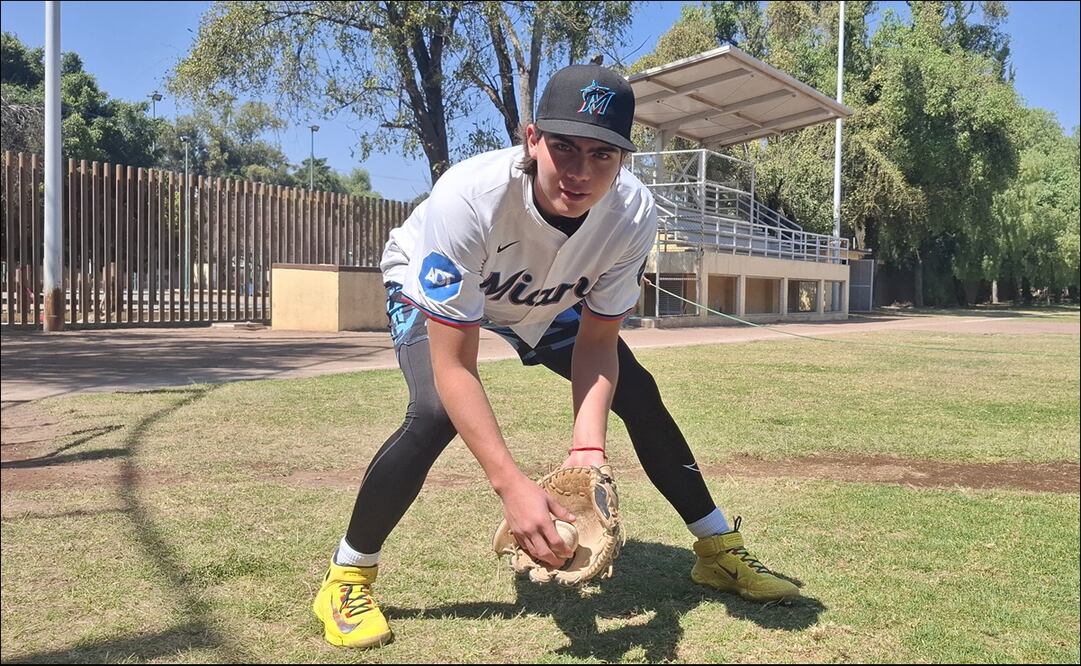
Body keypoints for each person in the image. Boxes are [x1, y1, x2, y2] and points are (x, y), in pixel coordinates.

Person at [312, 63, 799, 649]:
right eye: (564, 146)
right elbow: (454, 366)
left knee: (637, 391)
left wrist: (587, 454)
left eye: (602, 154)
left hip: (542, 299)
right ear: (532, 138)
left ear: (623, 159)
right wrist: (511, 486)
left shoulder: (632, 214)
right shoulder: (469, 198)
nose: (579, 171)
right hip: (434, 282)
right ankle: (348, 575)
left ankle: (717, 550)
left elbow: (597, 342)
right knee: (435, 412)